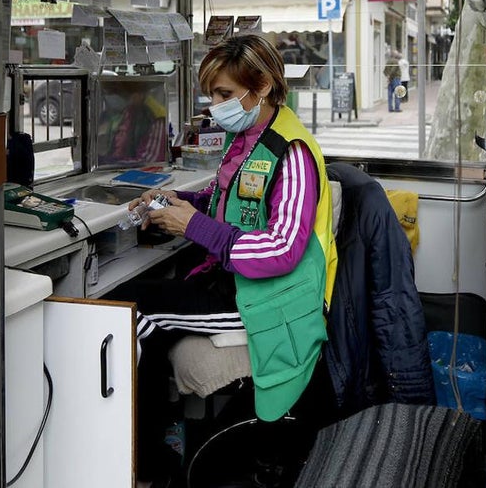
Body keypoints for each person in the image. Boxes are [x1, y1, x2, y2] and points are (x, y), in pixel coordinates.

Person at [112, 34, 337, 484]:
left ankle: (143, 463)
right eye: (212, 94)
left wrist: (191, 226)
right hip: (235, 282)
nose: (215, 106)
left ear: (264, 87)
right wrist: (178, 202)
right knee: (131, 299)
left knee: (132, 315)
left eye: (225, 95)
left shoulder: (290, 153)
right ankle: (159, 444)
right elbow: (226, 201)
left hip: (273, 301)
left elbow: (281, 249)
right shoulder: (251, 140)